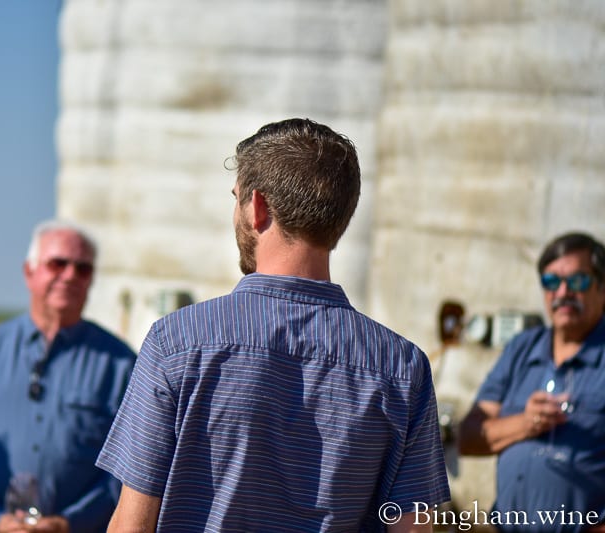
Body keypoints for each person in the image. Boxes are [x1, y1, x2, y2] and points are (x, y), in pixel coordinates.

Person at [95, 118, 450, 532]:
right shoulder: (402, 367)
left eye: (236, 199)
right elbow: (412, 528)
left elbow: (132, 524)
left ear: (258, 206)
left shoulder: (176, 343)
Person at [0, 220, 136, 533]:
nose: (70, 275)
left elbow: (135, 465)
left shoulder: (121, 364)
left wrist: (72, 522)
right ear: (29, 272)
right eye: (57, 264)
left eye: (83, 269)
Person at [458, 232, 605, 532]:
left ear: (602, 286)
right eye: (551, 282)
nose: (562, 292)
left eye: (577, 281)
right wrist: (526, 423)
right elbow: (469, 437)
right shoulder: (521, 349)